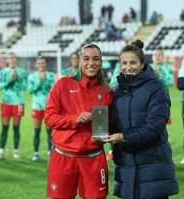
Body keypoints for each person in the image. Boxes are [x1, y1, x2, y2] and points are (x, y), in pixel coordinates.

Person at [104, 40, 178, 198]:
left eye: (133, 62)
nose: (128, 67)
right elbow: (111, 122)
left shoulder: (156, 88)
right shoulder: (117, 90)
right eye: (124, 63)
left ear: (142, 63)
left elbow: (155, 126)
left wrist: (124, 137)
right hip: (125, 167)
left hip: (152, 166)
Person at [44, 44, 114, 199]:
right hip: (63, 156)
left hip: (94, 158)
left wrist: (106, 133)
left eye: (96, 59)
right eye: (87, 58)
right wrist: (74, 119)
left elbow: (106, 126)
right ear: (80, 60)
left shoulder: (106, 92)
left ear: (101, 62)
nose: (91, 63)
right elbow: (49, 118)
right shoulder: (63, 84)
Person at [0, 52, 27, 160]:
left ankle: (16, 151)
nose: (12, 60)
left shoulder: (22, 72)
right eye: (10, 58)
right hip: (6, 102)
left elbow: (24, 87)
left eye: (14, 58)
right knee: (5, 127)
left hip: (18, 102)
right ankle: (1, 151)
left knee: (16, 127)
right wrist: (10, 79)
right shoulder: (3, 72)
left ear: (16, 60)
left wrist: (17, 78)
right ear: (7, 60)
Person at [27, 56, 55, 161]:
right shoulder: (32, 76)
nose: (41, 65)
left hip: (49, 107)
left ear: (45, 64)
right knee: (37, 130)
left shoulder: (51, 76)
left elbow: (53, 89)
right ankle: (36, 153)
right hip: (37, 107)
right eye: (39, 63)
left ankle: (50, 152)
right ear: (36, 65)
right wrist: (39, 81)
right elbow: (30, 90)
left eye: (42, 63)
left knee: (49, 131)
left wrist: (46, 80)